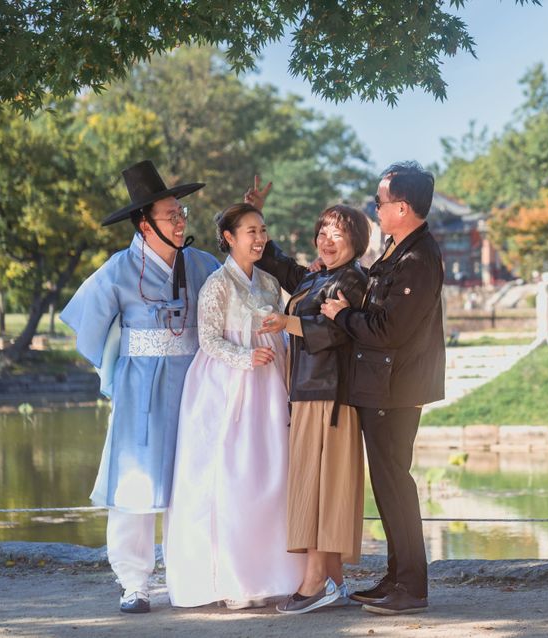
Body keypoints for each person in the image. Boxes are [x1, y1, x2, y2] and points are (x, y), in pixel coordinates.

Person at [60, 160, 220, 613]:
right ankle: (134, 582)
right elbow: (88, 329)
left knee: (192, 482)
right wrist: (113, 370)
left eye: (181, 213)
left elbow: (231, 300)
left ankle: (192, 575)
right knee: (135, 485)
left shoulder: (202, 263)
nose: (181, 220)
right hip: (140, 390)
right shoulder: (117, 270)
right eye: (171, 215)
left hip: (193, 385)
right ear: (144, 223)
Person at [164, 203, 304, 610]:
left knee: (271, 475)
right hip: (226, 388)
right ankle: (234, 577)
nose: (259, 239)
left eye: (262, 230)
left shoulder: (267, 281)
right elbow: (207, 339)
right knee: (232, 478)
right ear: (229, 237)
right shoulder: (217, 284)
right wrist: (245, 358)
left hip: (269, 389)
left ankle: (272, 574)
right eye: (250, 232)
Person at [321, 161, 446, 616]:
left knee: (396, 483)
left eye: (380, 202)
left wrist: (343, 317)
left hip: (397, 387)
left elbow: (389, 329)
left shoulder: (418, 257)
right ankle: (396, 578)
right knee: (388, 484)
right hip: (382, 385)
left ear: (403, 208)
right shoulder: (398, 250)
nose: (375, 209)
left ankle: (412, 588)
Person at [254, 204, 371, 614]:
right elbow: (281, 266)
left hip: (330, 397)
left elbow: (335, 331)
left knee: (323, 488)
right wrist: (256, 217)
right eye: (323, 231)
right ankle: (335, 582)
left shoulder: (352, 279)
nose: (327, 239)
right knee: (313, 484)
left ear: (356, 240)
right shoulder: (319, 276)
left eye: (338, 233)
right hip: (307, 392)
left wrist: (284, 324)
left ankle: (317, 581)